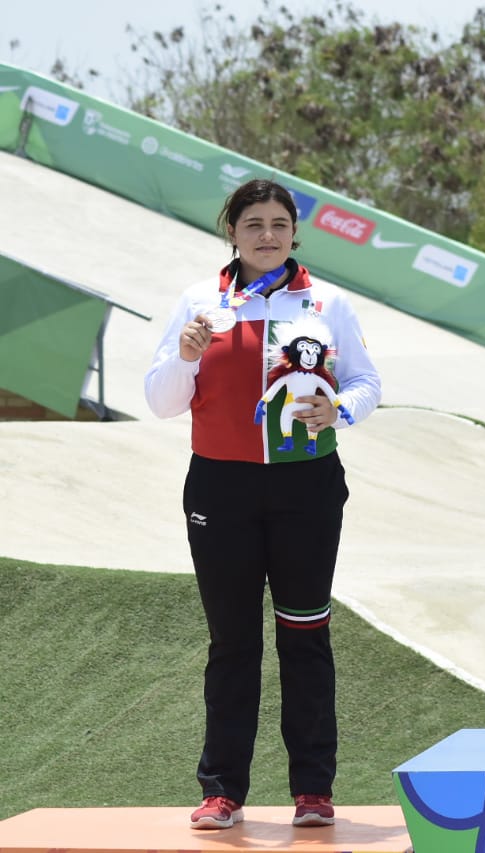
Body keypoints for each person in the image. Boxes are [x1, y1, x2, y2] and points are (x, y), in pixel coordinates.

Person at [144, 179, 382, 829]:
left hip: (307, 487)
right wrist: (187, 358)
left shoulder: (325, 301)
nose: (268, 235)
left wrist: (342, 409)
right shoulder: (201, 302)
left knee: (306, 634)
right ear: (232, 231)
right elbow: (162, 400)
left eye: (280, 223)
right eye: (254, 223)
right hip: (220, 487)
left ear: (295, 232)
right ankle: (222, 789)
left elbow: (366, 381)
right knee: (233, 641)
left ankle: (313, 789)